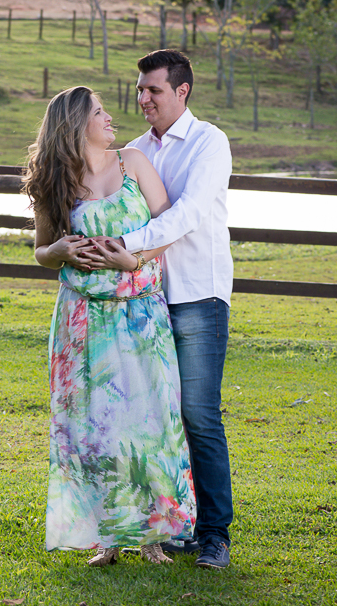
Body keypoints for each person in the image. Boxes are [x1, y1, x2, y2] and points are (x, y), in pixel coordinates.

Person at [24, 85, 196, 567]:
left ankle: (153, 536)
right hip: (82, 317)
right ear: (75, 124)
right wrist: (56, 252)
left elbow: (170, 227)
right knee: (95, 424)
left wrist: (134, 260)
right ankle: (106, 535)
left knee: (150, 421)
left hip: (141, 312)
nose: (110, 118)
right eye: (99, 112)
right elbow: (42, 250)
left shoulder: (134, 162)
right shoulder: (55, 181)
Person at [87, 49, 234, 570]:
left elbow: (190, 214)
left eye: (153, 90)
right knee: (154, 419)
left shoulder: (209, 143)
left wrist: (128, 245)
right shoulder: (132, 152)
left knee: (198, 416)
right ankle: (172, 526)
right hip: (143, 305)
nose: (142, 98)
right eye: (140, 88)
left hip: (196, 296)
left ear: (182, 91)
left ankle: (215, 535)